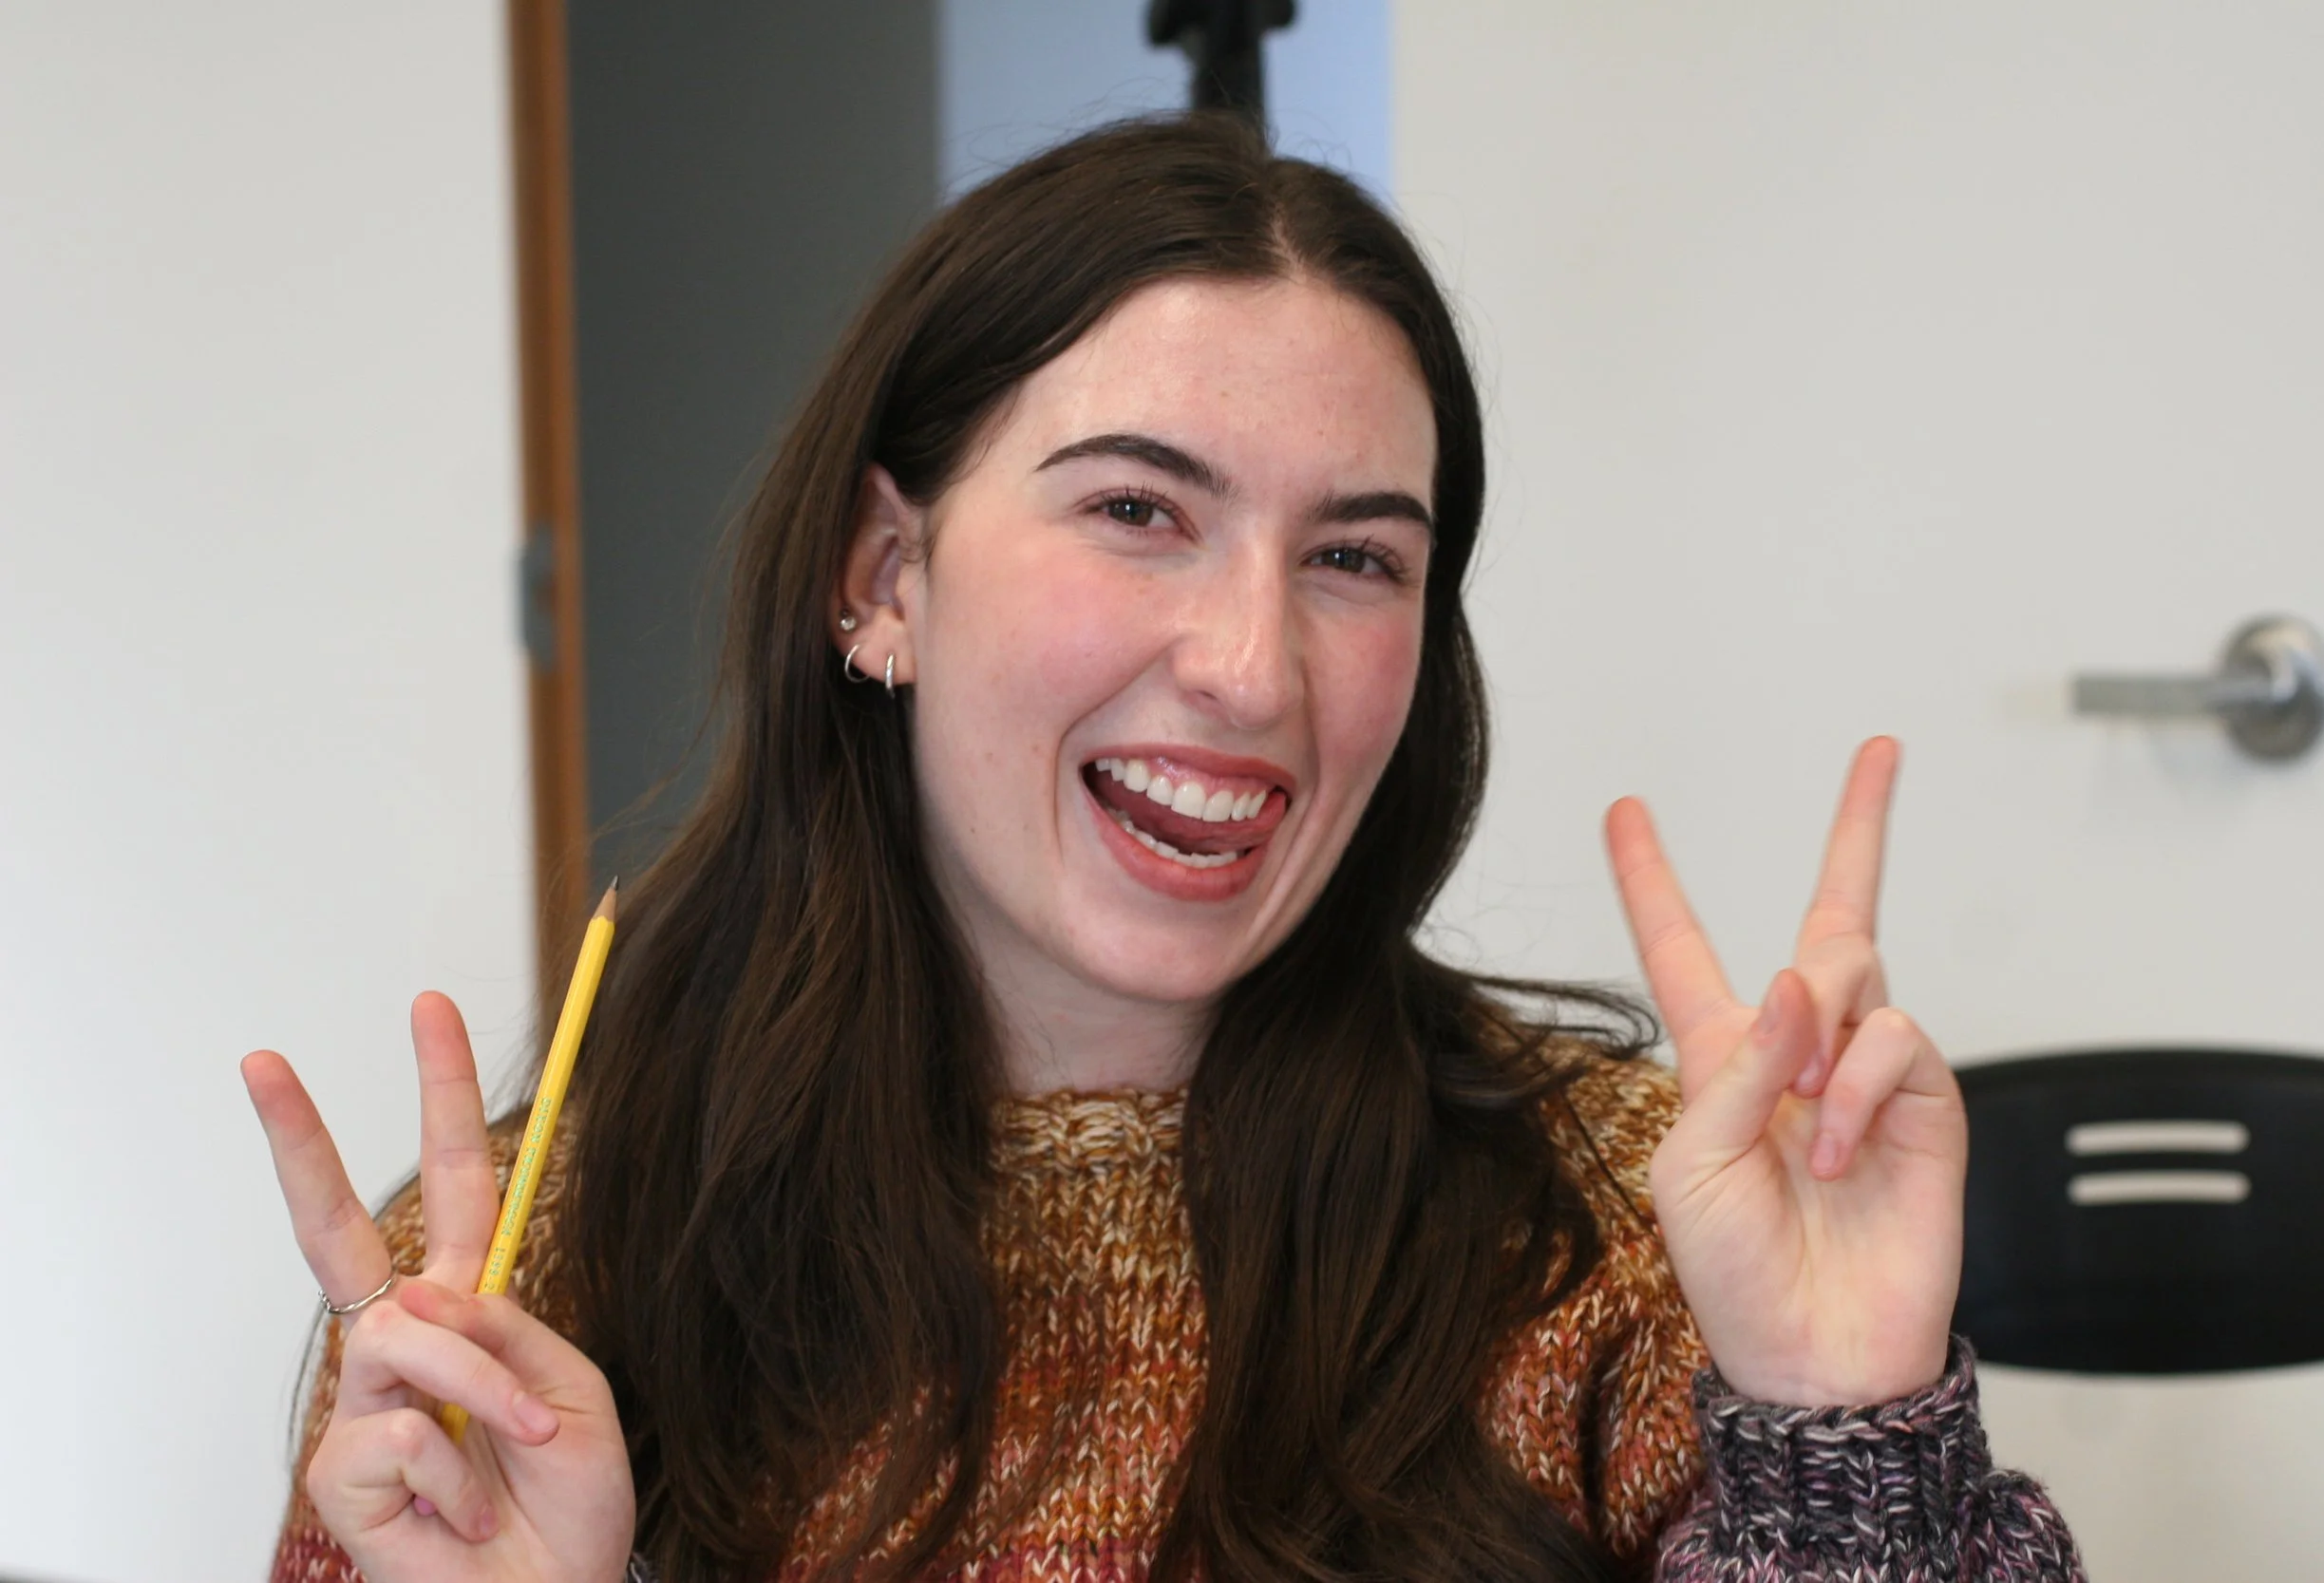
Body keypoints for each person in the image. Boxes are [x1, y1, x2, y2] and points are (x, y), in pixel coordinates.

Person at [244, 114, 2084, 1583]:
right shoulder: (510, 1287)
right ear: (882, 578)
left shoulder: (1610, 1228)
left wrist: (1846, 1443)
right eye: (1137, 509)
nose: (1246, 663)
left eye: (1354, 556)